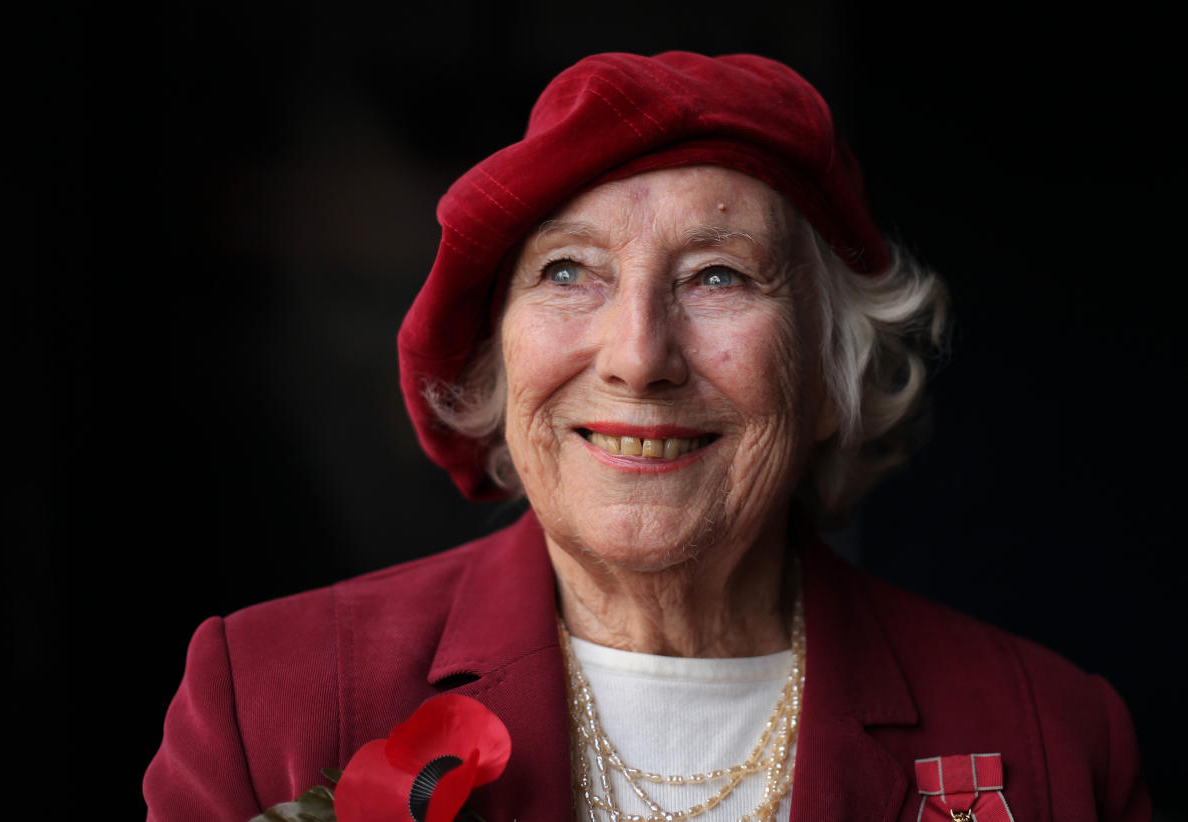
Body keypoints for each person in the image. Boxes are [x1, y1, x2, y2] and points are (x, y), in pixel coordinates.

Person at [144, 52, 1148, 822]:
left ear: (834, 372)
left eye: (719, 275)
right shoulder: (264, 696)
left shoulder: (1054, 737)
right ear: (498, 373)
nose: (638, 356)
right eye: (569, 272)